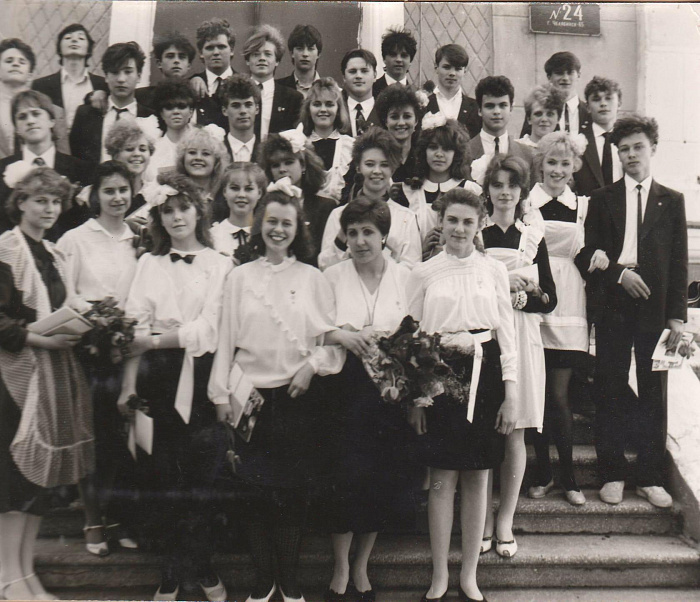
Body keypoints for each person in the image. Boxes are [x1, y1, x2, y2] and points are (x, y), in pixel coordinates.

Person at [208, 189, 343, 602]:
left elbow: (330, 342)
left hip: (296, 398)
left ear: (298, 228)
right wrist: (220, 395)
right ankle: (263, 581)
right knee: (254, 493)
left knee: (291, 492)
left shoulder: (312, 278)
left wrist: (310, 367)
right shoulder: (239, 278)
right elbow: (225, 339)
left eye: (287, 223)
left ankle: (289, 581)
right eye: (272, 221)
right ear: (259, 225)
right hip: (248, 397)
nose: (278, 230)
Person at [117, 171, 231, 601]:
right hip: (157, 377)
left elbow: (209, 328)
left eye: (184, 208)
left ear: (199, 212)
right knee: (163, 476)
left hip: (201, 376)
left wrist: (156, 338)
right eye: (168, 211)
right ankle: (170, 570)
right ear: (158, 218)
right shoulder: (149, 264)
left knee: (201, 479)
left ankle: (201, 565)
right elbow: (134, 325)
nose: (177, 217)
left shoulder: (220, 264)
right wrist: (128, 386)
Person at [406, 187, 517, 602]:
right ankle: (439, 575)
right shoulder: (423, 273)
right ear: (441, 221)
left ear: (480, 224)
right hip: (439, 378)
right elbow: (412, 338)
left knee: (477, 478)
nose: (459, 228)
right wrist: (417, 398)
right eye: (452, 220)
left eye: (468, 221)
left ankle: (469, 575)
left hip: (485, 375)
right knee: (441, 480)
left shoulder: (494, 270)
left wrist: (511, 394)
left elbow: (507, 336)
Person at [574, 115, 688, 509]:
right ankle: (612, 473)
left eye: (638, 147)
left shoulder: (672, 200)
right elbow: (587, 254)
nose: (631, 155)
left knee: (654, 389)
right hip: (614, 304)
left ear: (652, 148)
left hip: (655, 306)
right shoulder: (602, 198)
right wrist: (619, 275)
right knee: (610, 385)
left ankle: (650, 477)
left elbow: (679, 263)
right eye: (624, 149)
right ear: (617, 155)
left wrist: (677, 317)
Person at [0, 167, 94, 601]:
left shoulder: (54, 253)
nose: (50, 208)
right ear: (20, 203)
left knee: (39, 482)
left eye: (56, 201)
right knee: (14, 481)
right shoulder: (6, 249)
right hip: (14, 378)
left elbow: (64, 305)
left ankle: (26, 573)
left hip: (53, 374)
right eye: (40, 200)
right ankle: (7, 577)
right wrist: (44, 339)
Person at [321, 197, 417, 602]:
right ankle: (341, 566)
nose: (360, 241)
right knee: (345, 476)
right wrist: (343, 334)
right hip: (343, 389)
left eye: (368, 232)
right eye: (353, 233)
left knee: (379, 478)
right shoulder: (331, 276)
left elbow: (418, 333)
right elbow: (313, 328)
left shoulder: (406, 277)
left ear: (384, 236)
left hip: (389, 393)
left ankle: (362, 565)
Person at [56, 161, 139, 557]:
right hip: (89, 350)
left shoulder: (140, 237)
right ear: (95, 195)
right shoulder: (75, 239)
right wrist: (96, 315)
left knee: (124, 438)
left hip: (128, 350)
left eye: (123, 190)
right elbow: (65, 293)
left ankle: (120, 517)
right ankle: (92, 518)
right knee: (93, 435)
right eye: (109, 190)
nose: (117, 197)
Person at [480, 154, 557, 556]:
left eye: (512, 185)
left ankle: (505, 521)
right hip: (484, 336)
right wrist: (499, 288)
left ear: (522, 191)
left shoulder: (532, 237)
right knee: (481, 432)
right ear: (488, 190)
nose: (505, 192)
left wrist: (523, 296)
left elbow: (550, 300)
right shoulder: (476, 234)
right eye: (497, 184)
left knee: (515, 433)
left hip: (522, 338)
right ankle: (480, 519)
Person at [527, 131, 590, 505]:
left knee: (559, 395)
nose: (558, 169)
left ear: (574, 167)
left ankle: (569, 478)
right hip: (537, 300)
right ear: (541, 165)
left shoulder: (582, 205)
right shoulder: (526, 204)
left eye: (565, 163)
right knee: (537, 394)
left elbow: (586, 251)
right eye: (552, 162)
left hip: (569, 305)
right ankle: (543, 473)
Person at [319, 127, 421, 271]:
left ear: (392, 169)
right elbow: (325, 267)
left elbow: (411, 269)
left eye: (384, 165)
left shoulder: (406, 218)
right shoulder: (338, 215)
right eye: (370, 164)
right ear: (358, 167)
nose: (377, 171)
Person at [0, 89, 94, 240]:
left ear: (52, 120)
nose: (30, 121)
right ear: (16, 129)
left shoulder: (81, 169)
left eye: (36, 114)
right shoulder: (3, 169)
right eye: (22, 117)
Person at [258, 129, 335, 264]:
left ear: (303, 165)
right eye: (275, 165)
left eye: (288, 162)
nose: (282, 169)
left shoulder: (325, 206)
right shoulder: (263, 205)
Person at [70, 41, 153, 165]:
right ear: (106, 76)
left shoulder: (150, 117)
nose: (121, 79)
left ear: (139, 76)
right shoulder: (85, 114)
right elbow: (75, 159)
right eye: (114, 72)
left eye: (128, 72)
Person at [399, 114, 474, 248]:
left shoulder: (470, 190)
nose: (439, 154)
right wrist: (421, 251)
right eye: (433, 147)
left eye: (446, 148)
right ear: (424, 150)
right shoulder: (407, 192)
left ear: (456, 153)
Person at [0, 38, 70, 160]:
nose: (15, 64)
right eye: (9, 61)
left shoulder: (55, 111)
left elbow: (64, 161)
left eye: (22, 62)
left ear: (30, 75)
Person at [31, 23, 108, 131]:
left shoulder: (103, 84)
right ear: (59, 48)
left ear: (88, 49)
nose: (74, 40)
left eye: (81, 38)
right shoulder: (40, 85)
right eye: (68, 38)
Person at [243, 25, 303, 140]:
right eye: (256, 54)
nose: (262, 58)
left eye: (268, 54)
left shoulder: (293, 99)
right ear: (247, 60)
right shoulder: (236, 94)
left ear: (277, 61)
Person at [298, 77, 353, 201]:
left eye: (329, 104)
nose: (323, 110)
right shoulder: (299, 145)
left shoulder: (350, 146)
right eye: (317, 104)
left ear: (338, 109)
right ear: (308, 109)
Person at [466, 76, 533, 173]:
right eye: (490, 106)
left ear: (511, 108)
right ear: (479, 110)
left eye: (502, 105)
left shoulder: (527, 154)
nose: (497, 111)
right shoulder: (464, 152)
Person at [573, 76, 623, 197]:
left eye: (608, 98)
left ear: (619, 104)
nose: (603, 104)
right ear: (588, 107)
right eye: (596, 99)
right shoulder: (577, 141)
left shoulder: (626, 139)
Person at [521, 52, 590, 138]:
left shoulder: (590, 112)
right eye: (559, 73)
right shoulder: (538, 112)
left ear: (579, 75)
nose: (565, 78)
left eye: (570, 73)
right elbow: (526, 144)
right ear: (549, 77)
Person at [144, 79, 198, 179]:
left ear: (191, 112)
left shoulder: (202, 143)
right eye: (169, 107)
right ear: (161, 114)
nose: (176, 112)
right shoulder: (155, 150)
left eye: (181, 106)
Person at [210, 162, 266, 258]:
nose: (241, 195)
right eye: (234, 188)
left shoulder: (265, 235)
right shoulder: (212, 236)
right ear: (225, 192)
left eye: (248, 189)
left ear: (259, 193)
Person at [174, 125, 229, 222]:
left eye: (206, 153)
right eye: (192, 152)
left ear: (216, 161)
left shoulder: (225, 195)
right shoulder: (173, 192)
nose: (198, 158)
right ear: (183, 158)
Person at [424, 44, 481, 139]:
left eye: (458, 69)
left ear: (464, 71)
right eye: (446, 67)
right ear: (436, 67)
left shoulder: (475, 107)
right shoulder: (424, 105)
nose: (452, 73)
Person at [189, 18, 235, 131]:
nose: (216, 52)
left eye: (221, 46)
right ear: (201, 53)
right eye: (209, 48)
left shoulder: (244, 84)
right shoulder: (191, 84)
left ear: (232, 50)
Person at [105, 120, 155, 220]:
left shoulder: (155, 193)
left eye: (142, 149)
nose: (137, 154)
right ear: (115, 155)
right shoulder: (101, 192)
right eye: (129, 149)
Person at [136, 32, 196, 112]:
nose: (176, 61)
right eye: (170, 56)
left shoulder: (196, 97)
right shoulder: (141, 97)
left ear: (189, 65)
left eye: (182, 57)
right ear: (159, 63)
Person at [374, 84, 423, 183]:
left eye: (407, 116)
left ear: (416, 120)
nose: (401, 123)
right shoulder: (374, 154)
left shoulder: (423, 157)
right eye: (394, 117)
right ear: (386, 121)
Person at [220, 74, 261, 163]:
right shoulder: (217, 152)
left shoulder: (266, 153)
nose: (243, 111)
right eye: (236, 105)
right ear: (224, 110)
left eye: (248, 105)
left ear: (257, 109)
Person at [341, 49, 381, 138]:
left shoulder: (384, 111)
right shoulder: (336, 111)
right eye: (352, 71)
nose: (358, 76)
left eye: (364, 71)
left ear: (375, 75)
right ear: (344, 77)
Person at [276, 24, 323, 98]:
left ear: (318, 54)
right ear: (292, 53)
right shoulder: (277, 88)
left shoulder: (329, 89)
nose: (305, 54)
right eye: (300, 48)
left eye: (310, 49)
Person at [372, 28, 417, 96]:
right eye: (393, 55)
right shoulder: (370, 91)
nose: (398, 59)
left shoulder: (416, 95)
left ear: (410, 60)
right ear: (384, 58)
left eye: (404, 55)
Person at [518, 85, 564, 149]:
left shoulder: (564, 151)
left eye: (550, 114)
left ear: (558, 119)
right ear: (529, 119)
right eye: (538, 114)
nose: (544, 119)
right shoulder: (516, 148)